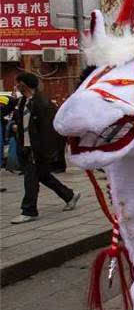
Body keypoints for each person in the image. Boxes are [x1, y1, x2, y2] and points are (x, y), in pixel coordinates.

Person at [10, 72, 80, 224]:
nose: (17, 86)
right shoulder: (22, 102)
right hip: (26, 146)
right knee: (43, 176)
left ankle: (29, 210)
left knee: (30, 179)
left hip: (37, 149)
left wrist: (46, 151)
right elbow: (21, 122)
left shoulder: (42, 103)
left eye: (19, 83)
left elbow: (49, 130)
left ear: (25, 84)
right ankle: (69, 195)